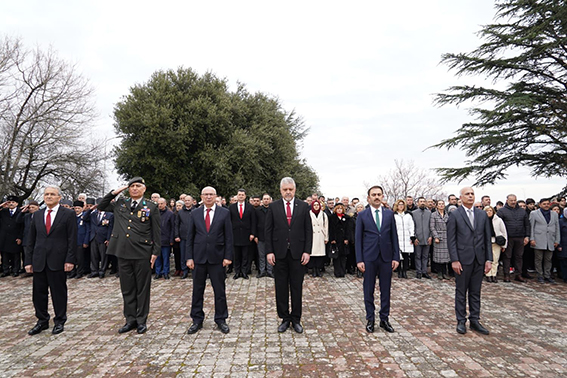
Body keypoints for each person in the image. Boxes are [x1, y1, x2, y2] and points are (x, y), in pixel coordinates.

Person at [98, 177, 160, 335]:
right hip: (122, 252)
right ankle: (130, 319)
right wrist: (114, 192)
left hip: (142, 252)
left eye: (138, 186)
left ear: (144, 189)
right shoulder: (120, 203)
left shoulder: (151, 206)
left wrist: (155, 253)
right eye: (132, 186)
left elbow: (157, 232)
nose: (134, 189)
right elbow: (101, 206)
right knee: (127, 288)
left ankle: (141, 320)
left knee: (142, 288)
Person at [25, 186, 77, 335]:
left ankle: (60, 321)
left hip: (58, 260)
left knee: (58, 292)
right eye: (46, 194)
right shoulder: (38, 214)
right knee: (38, 293)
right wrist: (28, 261)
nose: (49, 197)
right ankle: (42, 320)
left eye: (52, 194)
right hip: (39, 259)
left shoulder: (67, 214)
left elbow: (72, 238)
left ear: (59, 197)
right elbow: (31, 240)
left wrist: (70, 259)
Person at [265, 177, 313, 333]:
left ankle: (296, 319)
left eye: (290, 189)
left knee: (296, 287)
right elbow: (268, 231)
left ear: (295, 190)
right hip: (279, 253)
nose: (288, 192)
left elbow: (308, 231)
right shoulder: (273, 207)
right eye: (285, 189)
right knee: (281, 287)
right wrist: (269, 251)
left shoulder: (304, 207)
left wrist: (307, 251)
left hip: (298, 254)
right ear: (280, 190)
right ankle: (285, 318)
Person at [186, 186, 233, 334]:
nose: (208, 197)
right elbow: (190, 237)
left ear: (215, 196)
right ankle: (197, 319)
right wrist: (189, 257)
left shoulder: (224, 213)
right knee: (197, 290)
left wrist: (227, 256)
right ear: (201, 196)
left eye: (211, 194)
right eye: (205, 194)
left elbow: (229, 237)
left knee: (219, 291)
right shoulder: (195, 213)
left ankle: (221, 319)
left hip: (217, 258)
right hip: (199, 257)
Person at [447, 187, 492, 335]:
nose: (470, 196)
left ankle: (475, 320)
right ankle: (461, 320)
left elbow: (487, 238)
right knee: (461, 292)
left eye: (472, 194)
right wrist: (454, 260)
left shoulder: (482, 215)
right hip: (462, 259)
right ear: (461, 197)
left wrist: (488, 259)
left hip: (479, 259)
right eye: (467, 194)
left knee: (475, 292)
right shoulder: (455, 215)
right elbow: (451, 240)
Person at [355, 185, 400, 333]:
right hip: (369, 258)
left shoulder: (389, 214)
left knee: (385, 290)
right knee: (368, 289)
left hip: (386, 257)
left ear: (382, 197)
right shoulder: (362, 215)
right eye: (373, 194)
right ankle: (370, 319)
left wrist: (395, 257)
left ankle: (384, 319)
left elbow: (394, 236)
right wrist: (359, 260)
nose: (376, 197)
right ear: (368, 198)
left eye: (379, 194)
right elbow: (358, 239)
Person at [497, 194, 530, 282]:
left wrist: (527, 236)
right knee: (507, 256)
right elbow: (498, 225)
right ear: (507, 200)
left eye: (514, 200)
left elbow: (527, 224)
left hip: (520, 237)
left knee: (519, 256)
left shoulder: (522, 211)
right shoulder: (502, 211)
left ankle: (518, 274)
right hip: (508, 237)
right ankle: (506, 275)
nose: (513, 202)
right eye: (511, 200)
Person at [529, 198, 560, 284]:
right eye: (544, 204)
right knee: (538, 259)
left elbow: (557, 227)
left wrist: (557, 240)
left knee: (548, 259)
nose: (546, 205)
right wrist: (532, 238)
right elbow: (531, 227)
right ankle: (540, 275)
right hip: (538, 239)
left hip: (550, 239)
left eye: (547, 204)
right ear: (540, 205)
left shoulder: (554, 214)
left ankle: (547, 275)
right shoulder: (534, 213)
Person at [228, 189, 256, 280]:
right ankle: (237, 272)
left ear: (245, 196)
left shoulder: (250, 207)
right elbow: (229, 222)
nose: (240, 196)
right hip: (235, 234)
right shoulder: (231, 207)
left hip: (246, 235)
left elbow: (253, 221)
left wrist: (252, 233)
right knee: (236, 255)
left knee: (245, 255)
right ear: (237, 196)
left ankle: (244, 272)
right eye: (239, 194)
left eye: (242, 195)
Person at [0, 195, 24, 277]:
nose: (11, 204)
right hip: (4, 237)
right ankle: (5, 270)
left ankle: (15, 270)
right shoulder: (3, 211)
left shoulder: (20, 212)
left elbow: (22, 226)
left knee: (16, 255)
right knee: (5, 255)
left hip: (15, 236)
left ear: (17, 203)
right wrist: (1, 206)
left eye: (13, 202)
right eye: (9, 202)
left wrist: (20, 237)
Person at [328, 203, 353, 277]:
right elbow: (330, 229)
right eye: (338, 208)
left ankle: (342, 271)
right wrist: (332, 239)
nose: (339, 210)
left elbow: (348, 229)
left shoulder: (347, 218)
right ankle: (337, 272)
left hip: (343, 239)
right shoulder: (332, 217)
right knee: (336, 257)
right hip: (336, 239)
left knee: (343, 256)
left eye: (341, 208)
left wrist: (347, 238)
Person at [484, 206, 507, 283]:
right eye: (487, 211)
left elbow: (504, 232)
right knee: (487, 259)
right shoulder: (482, 220)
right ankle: (488, 275)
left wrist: (504, 245)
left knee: (495, 259)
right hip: (486, 242)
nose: (489, 212)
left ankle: (494, 274)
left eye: (490, 210)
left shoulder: (498, 220)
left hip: (496, 242)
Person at [393, 199, 414, 279]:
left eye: (402, 204)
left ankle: (404, 271)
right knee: (398, 255)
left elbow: (411, 226)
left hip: (406, 238)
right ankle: (399, 271)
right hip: (397, 238)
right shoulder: (394, 216)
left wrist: (412, 236)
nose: (401, 206)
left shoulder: (408, 216)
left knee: (405, 256)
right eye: (399, 204)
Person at [430, 200, 450, 280]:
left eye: (442, 204)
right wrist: (436, 237)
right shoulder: (433, 215)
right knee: (439, 256)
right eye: (439, 204)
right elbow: (432, 227)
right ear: (437, 206)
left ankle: (445, 272)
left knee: (446, 256)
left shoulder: (447, 214)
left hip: (447, 236)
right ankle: (439, 273)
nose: (441, 205)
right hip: (438, 236)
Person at [412, 197, 432, 279]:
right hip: (418, 238)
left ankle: (424, 271)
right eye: (421, 201)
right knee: (418, 256)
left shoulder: (429, 213)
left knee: (425, 256)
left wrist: (430, 236)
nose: (422, 203)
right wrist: (414, 237)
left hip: (427, 237)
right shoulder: (413, 213)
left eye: (424, 201)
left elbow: (431, 225)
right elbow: (412, 226)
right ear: (417, 203)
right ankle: (418, 271)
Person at [155, 198, 175, 280]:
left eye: (161, 203)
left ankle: (166, 272)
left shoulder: (170, 214)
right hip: (157, 240)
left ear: (165, 204)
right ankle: (158, 272)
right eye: (158, 204)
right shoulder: (155, 213)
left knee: (166, 258)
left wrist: (171, 239)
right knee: (157, 258)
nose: (160, 205)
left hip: (166, 239)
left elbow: (172, 228)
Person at [255, 193, 273, 278]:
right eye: (264, 199)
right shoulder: (258, 210)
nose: (266, 200)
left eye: (267, 199)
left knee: (270, 254)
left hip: (271, 236)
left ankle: (270, 271)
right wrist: (255, 236)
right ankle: (262, 271)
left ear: (270, 200)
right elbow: (254, 224)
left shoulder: (273, 209)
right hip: (260, 236)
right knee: (261, 255)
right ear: (262, 200)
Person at [309, 200, 328, 277]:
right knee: (312, 254)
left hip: (320, 236)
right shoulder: (309, 214)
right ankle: (313, 269)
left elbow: (326, 226)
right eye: (315, 205)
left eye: (317, 205)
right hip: (312, 236)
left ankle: (318, 269)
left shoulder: (323, 215)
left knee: (320, 255)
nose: (316, 206)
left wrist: (326, 237)